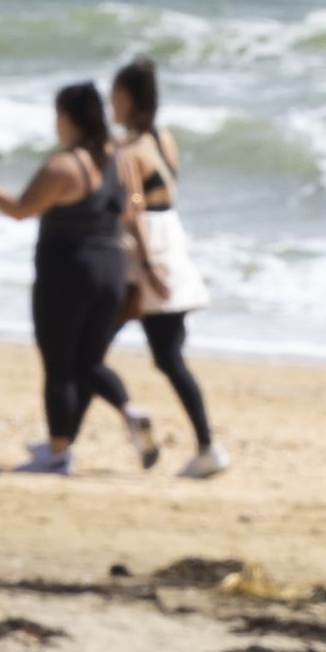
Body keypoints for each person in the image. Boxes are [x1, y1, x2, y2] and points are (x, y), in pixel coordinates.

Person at [0, 80, 142, 477]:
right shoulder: (120, 159)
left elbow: (19, 209)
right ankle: (128, 412)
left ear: (68, 118)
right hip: (112, 269)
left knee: (58, 365)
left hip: (67, 270)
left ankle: (56, 453)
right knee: (89, 361)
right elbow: (134, 208)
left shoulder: (64, 165)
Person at [109, 57, 229, 478]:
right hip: (172, 241)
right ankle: (206, 445)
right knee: (168, 357)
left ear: (124, 98)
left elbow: (132, 211)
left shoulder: (126, 149)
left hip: (142, 252)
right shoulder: (165, 139)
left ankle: (67, 439)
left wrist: (144, 265)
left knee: (87, 351)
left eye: (114, 94)